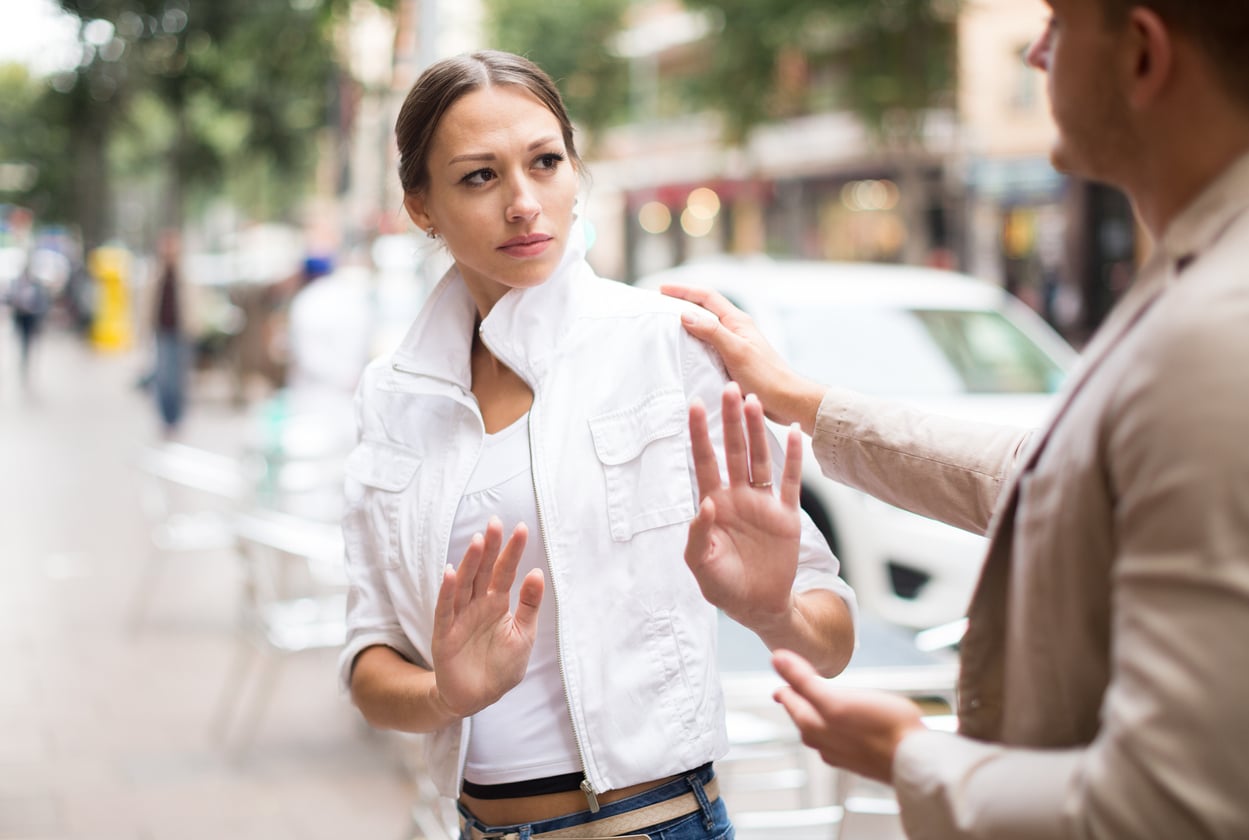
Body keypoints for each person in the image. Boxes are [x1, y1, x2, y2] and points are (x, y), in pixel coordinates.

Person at [664, 0, 1249, 837]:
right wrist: (801, 401)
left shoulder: (1215, 325)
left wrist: (913, 756)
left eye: (1054, 24)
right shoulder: (1199, 276)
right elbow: (1040, 473)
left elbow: (1172, 802)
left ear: (1143, 54)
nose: (1036, 55)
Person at [338, 50, 857, 840]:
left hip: (651, 823)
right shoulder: (392, 393)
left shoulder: (664, 344)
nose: (523, 203)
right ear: (421, 206)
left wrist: (771, 606)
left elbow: (831, 639)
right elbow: (369, 659)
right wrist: (447, 695)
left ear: (575, 171)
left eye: (545, 163)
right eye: (479, 176)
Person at [149, 229, 190, 436]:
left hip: (181, 333)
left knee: (178, 379)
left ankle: (176, 418)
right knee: (163, 377)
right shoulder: (156, 274)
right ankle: (166, 418)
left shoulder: (184, 275)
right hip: (162, 332)